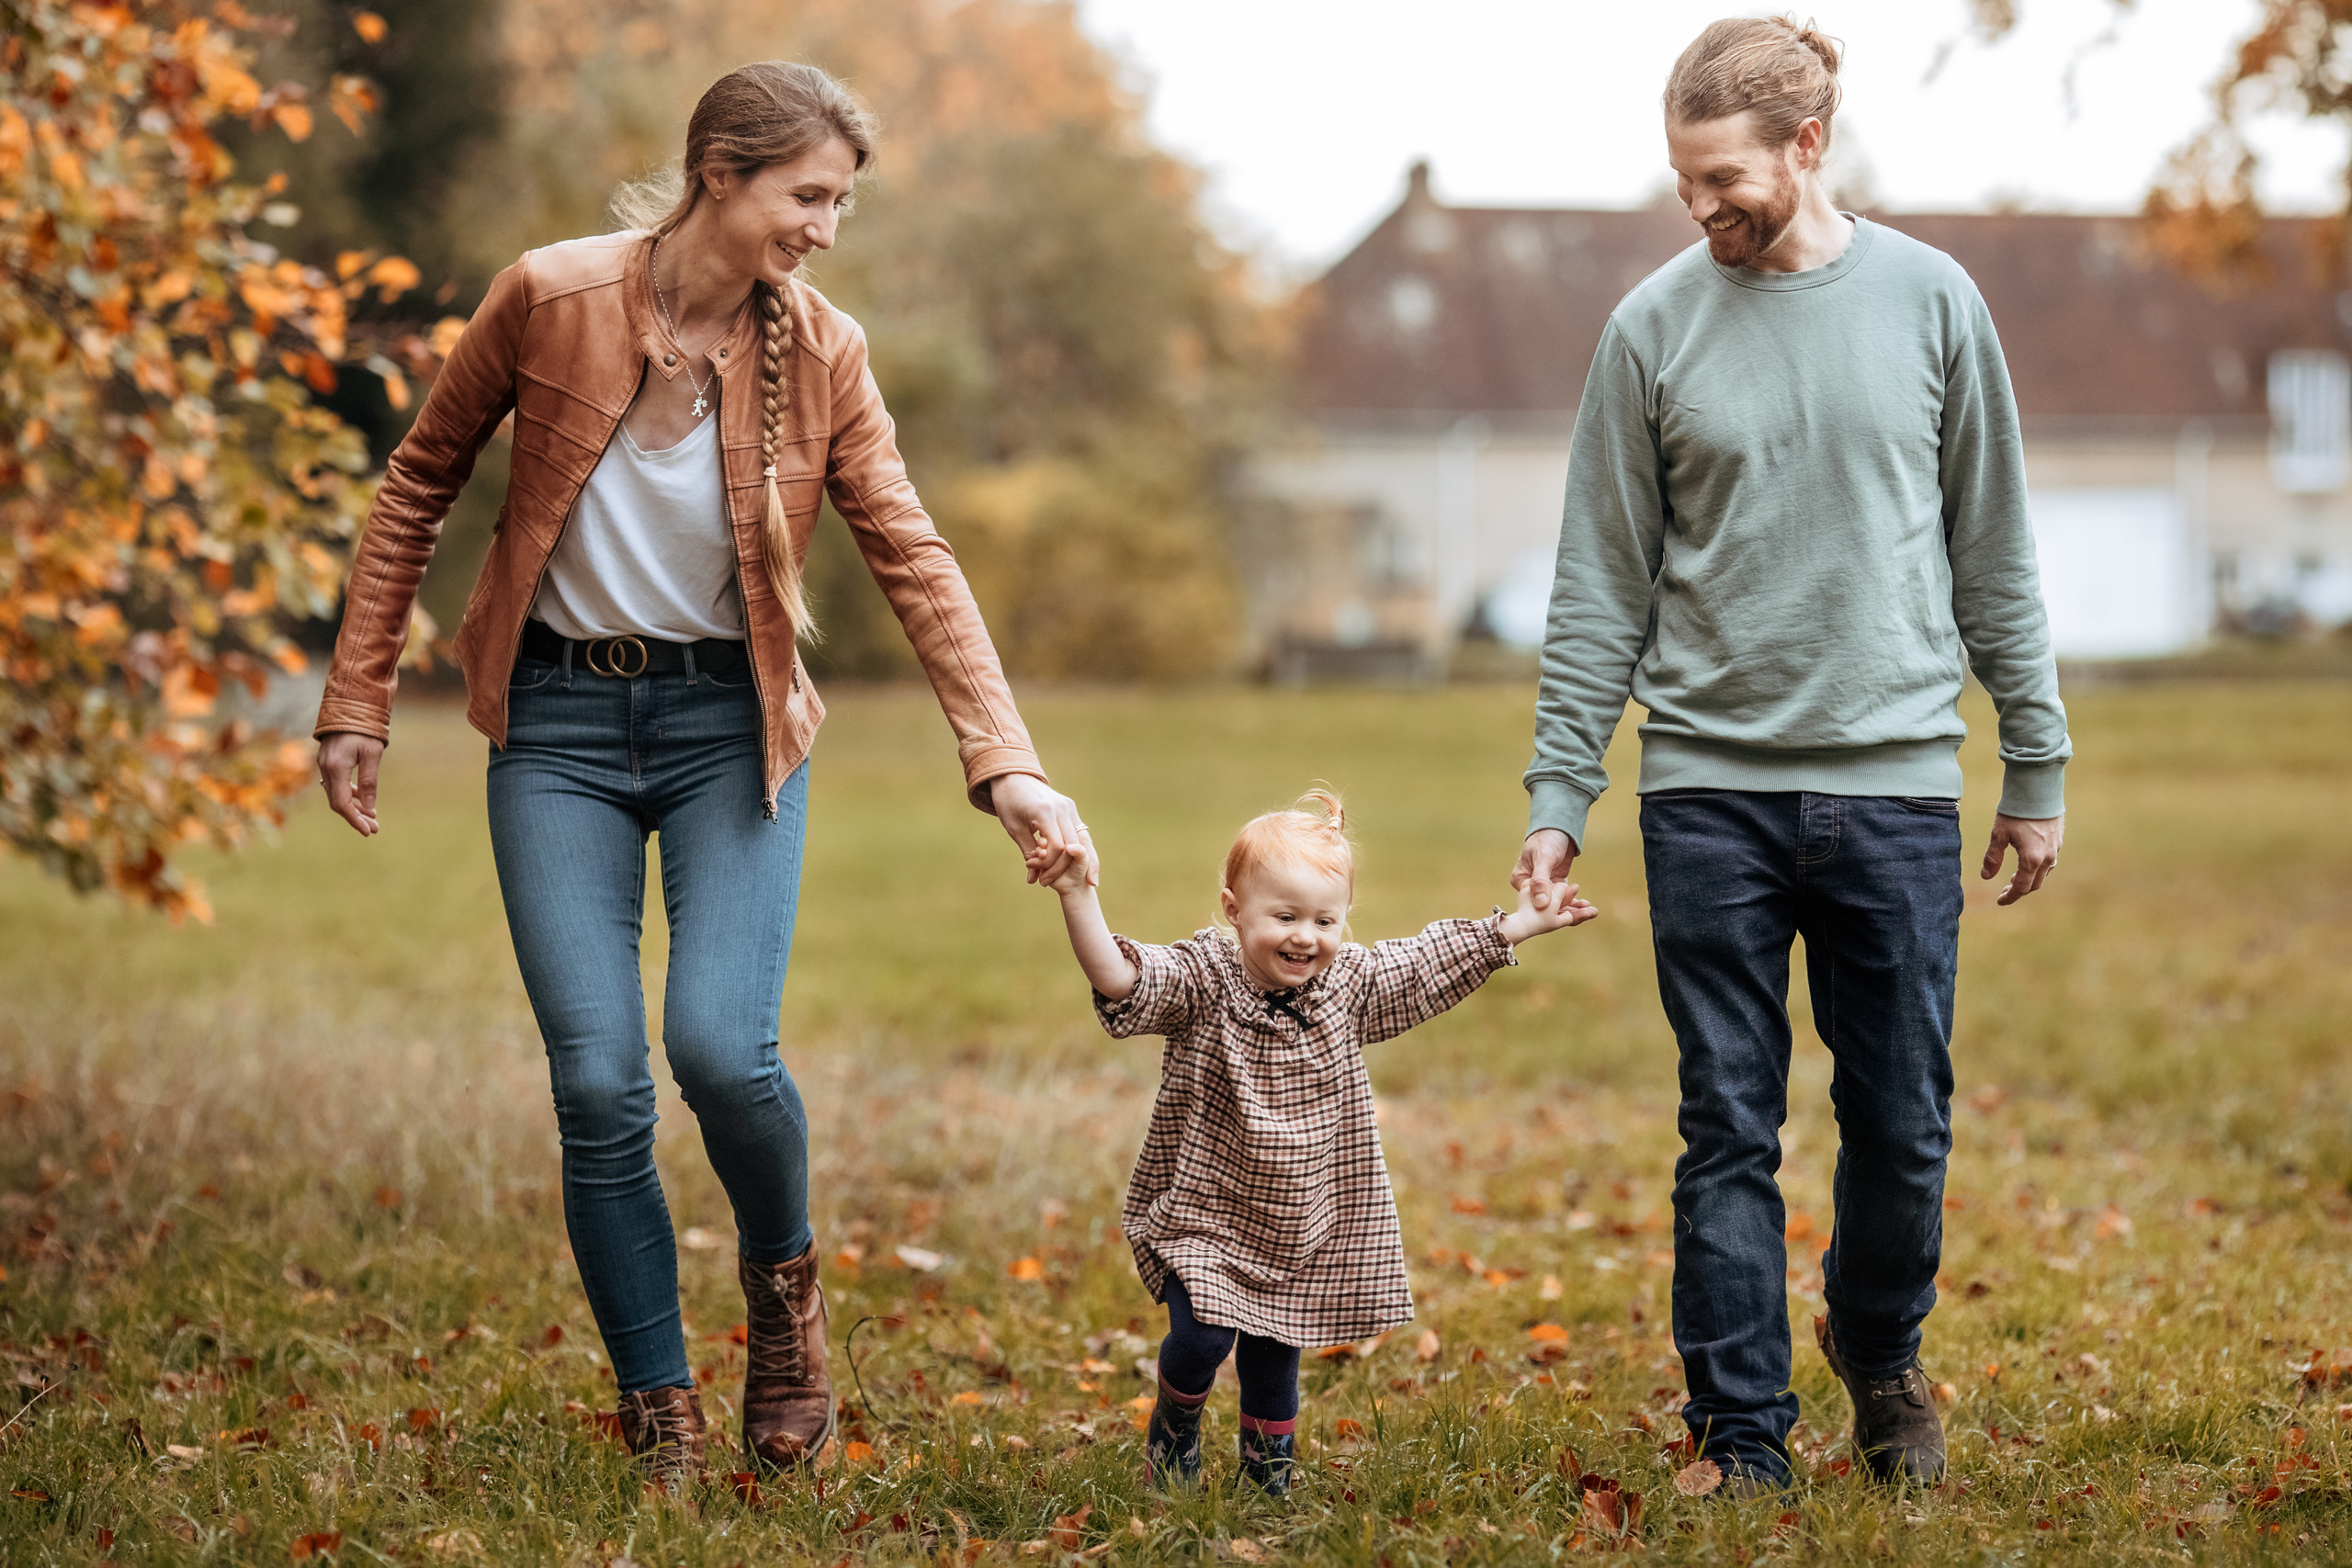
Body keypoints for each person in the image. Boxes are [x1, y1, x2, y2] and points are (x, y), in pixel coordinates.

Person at [311, 62, 1087, 1492]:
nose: (827, 230)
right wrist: (357, 695)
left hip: (732, 730)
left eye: (841, 202)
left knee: (724, 1049)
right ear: (719, 174)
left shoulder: (827, 350)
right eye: (810, 197)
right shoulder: (549, 299)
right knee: (600, 1081)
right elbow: (418, 477)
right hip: (554, 728)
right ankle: (658, 1398)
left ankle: (786, 1312)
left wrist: (1009, 764)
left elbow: (913, 552)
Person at [1512, 17, 2071, 1492]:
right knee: (1727, 1123)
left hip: (1893, 789)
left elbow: (1994, 551)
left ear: (1806, 145)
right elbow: (1600, 584)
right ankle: (1742, 1430)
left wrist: (2037, 759)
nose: (1702, 205)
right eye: (1683, 179)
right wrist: (1561, 793)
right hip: (1709, 795)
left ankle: (1879, 1354)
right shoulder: (1651, 328)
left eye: (1723, 176)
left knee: (1899, 1119)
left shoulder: (1934, 302)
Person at [1046, 791, 1597, 1496]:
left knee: (1275, 1355)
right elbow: (1122, 977)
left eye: (1325, 919)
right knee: (1204, 1338)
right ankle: (1176, 1422)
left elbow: (1426, 961)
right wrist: (1076, 893)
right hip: (1208, 1209)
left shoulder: (1349, 986)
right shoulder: (1204, 980)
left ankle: (1267, 1470)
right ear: (1233, 907)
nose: (1306, 936)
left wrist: (1518, 925)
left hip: (1304, 1220)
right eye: (1285, 916)